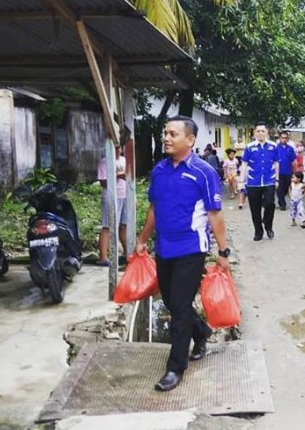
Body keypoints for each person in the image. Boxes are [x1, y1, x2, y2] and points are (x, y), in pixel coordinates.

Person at [134, 116, 231, 392]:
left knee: (179, 305)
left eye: (173, 134)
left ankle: (175, 368)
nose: (166, 138)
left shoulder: (203, 172)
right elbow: (153, 211)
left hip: (191, 248)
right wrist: (142, 240)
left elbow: (215, 215)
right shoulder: (159, 170)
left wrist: (223, 252)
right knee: (172, 302)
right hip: (164, 248)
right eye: (165, 133)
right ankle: (201, 332)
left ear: (190, 140)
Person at [241, 122, 279, 241]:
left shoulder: (273, 146)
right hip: (253, 182)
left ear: (267, 132)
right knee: (255, 208)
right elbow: (244, 164)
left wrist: (277, 179)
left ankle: (268, 226)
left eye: (263, 131)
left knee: (270, 204)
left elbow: (276, 163)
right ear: (254, 132)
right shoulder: (249, 147)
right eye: (258, 131)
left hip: (269, 180)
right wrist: (241, 181)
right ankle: (258, 231)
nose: (260, 133)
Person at [98, 145, 127, 266]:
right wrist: (117, 176)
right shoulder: (104, 162)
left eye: (119, 148)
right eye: (114, 148)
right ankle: (103, 257)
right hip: (110, 197)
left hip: (124, 195)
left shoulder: (124, 160)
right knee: (108, 226)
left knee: (123, 225)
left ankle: (127, 253)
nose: (117, 151)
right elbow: (103, 183)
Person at [276, 130, 298, 211]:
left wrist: (295, 172)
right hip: (278, 172)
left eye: (285, 138)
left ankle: (280, 200)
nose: (284, 139)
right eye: (282, 138)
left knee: (285, 188)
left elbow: (294, 161)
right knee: (279, 188)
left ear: (287, 139)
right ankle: (283, 204)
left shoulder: (290, 149)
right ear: (279, 138)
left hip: (288, 171)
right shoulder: (275, 148)